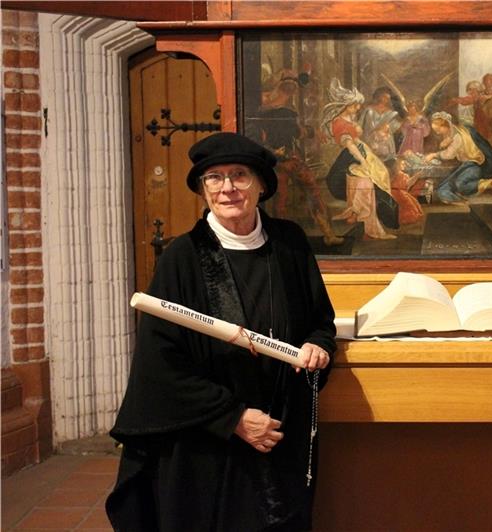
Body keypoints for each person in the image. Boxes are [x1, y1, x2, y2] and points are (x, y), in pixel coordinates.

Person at [105, 132, 337, 531]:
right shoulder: (182, 257)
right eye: (214, 177)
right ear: (202, 189)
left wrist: (317, 344)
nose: (227, 188)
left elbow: (319, 320)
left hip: (279, 435)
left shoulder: (290, 245)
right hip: (209, 446)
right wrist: (233, 418)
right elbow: (159, 364)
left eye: (239, 175)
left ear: (261, 184)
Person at [250, 69, 344, 246]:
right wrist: (311, 131)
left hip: (283, 159)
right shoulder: (281, 111)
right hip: (282, 160)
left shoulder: (271, 110)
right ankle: (324, 234)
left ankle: (326, 234)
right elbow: (295, 131)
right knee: (292, 197)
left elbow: (289, 131)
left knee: (294, 196)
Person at [323, 79, 398, 240]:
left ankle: (359, 214)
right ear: (346, 106)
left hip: (362, 151)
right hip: (352, 157)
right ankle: (368, 222)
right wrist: (362, 161)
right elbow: (349, 145)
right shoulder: (339, 123)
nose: (358, 108)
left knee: (381, 176)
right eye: (355, 105)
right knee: (366, 184)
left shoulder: (350, 119)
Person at [423, 111, 492, 204]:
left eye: (438, 130)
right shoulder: (459, 129)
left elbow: (449, 154)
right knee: (452, 183)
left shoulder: (457, 136)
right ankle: (488, 183)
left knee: (459, 185)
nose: (437, 133)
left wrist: (434, 154)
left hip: (476, 164)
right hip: (471, 163)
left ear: (445, 125)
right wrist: (445, 144)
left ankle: (489, 184)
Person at [360, 86, 401, 162]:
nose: (386, 100)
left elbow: (395, 126)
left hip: (385, 141)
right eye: (384, 97)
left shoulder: (390, 112)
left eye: (388, 98)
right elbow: (361, 124)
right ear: (379, 96)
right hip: (370, 139)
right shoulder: (369, 110)